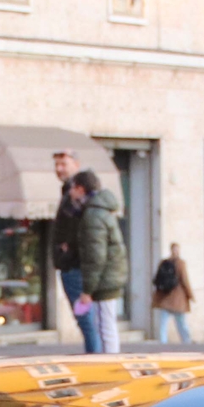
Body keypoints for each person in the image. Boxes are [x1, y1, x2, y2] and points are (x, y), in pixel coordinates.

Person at [69, 169, 129, 357]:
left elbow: (96, 255)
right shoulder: (101, 211)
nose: (70, 193)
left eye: (73, 188)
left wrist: (88, 290)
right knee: (106, 324)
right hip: (109, 274)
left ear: (80, 189)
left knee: (104, 326)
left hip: (104, 278)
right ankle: (110, 362)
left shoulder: (93, 215)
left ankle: (110, 366)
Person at [49, 151, 99, 353]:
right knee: (88, 322)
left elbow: (85, 228)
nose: (59, 168)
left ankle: (96, 363)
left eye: (64, 164)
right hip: (74, 265)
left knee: (87, 322)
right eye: (57, 164)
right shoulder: (69, 191)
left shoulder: (76, 193)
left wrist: (68, 249)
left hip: (75, 267)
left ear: (76, 164)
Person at [150, 241, 195, 343]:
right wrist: (190, 295)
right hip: (177, 298)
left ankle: (163, 342)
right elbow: (185, 280)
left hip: (164, 297)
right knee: (181, 322)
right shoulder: (180, 263)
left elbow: (157, 279)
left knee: (163, 323)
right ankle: (187, 341)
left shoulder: (163, 262)